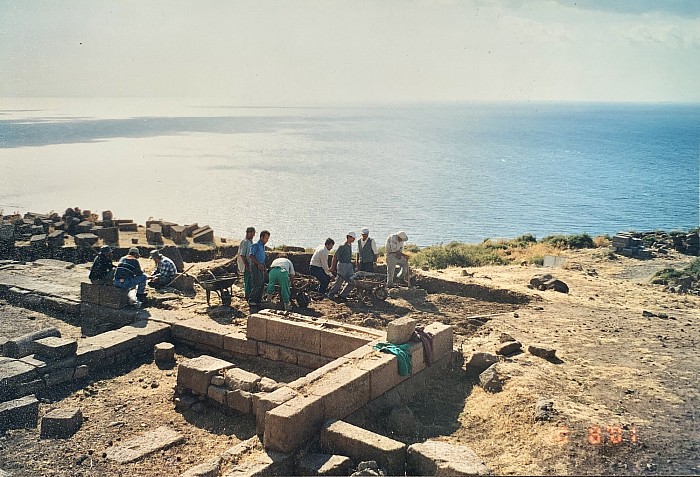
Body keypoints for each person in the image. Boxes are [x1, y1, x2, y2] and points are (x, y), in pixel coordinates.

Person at [328, 232, 356, 301]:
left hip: (349, 265)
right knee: (339, 281)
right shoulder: (342, 246)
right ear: (348, 237)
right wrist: (332, 267)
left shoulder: (349, 245)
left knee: (353, 280)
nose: (353, 240)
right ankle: (331, 294)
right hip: (342, 265)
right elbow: (335, 257)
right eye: (352, 238)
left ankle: (343, 295)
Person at [248, 230, 270, 306]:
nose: (267, 240)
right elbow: (251, 256)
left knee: (262, 282)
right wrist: (258, 264)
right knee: (257, 283)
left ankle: (258, 299)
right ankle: (251, 300)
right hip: (255, 265)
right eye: (266, 238)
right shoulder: (256, 245)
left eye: (268, 239)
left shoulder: (263, 246)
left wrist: (264, 266)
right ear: (261, 237)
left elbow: (262, 257)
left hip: (260, 265)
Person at [237, 226, 255, 300]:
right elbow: (242, 255)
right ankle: (247, 296)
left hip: (249, 264)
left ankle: (249, 294)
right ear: (249, 233)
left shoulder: (250, 242)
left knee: (250, 280)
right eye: (253, 233)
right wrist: (246, 265)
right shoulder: (245, 242)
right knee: (247, 281)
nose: (253, 235)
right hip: (246, 264)